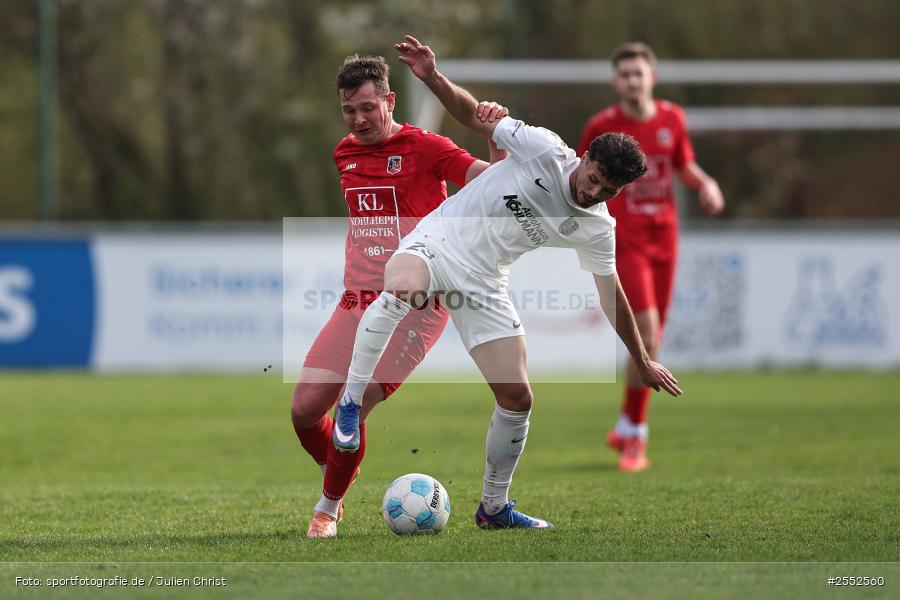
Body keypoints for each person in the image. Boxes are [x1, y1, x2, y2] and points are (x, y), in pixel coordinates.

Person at [331, 35, 682, 530]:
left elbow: (611, 294)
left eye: (607, 189)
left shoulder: (598, 225)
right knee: (403, 288)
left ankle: (493, 508)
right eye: (594, 176)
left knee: (518, 398)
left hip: (485, 282)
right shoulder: (543, 149)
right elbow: (477, 116)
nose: (592, 190)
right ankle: (350, 403)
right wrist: (432, 76)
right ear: (584, 157)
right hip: (439, 240)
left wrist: (642, 359)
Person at [293, 53, 508, 538]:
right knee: (305, 411)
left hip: (418, 306)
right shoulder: (343, 153)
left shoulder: (426, 146)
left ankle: (327, 507)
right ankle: (344, 464)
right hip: (356, 301)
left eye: (369, 107)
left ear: (389, 100)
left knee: (355, 406)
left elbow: (482, 181)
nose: (359, 119)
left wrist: (496, 154)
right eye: (349, 110)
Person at [576, 42, 724, 472]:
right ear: (614, 81)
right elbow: (581, 173)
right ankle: (636, 435)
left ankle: (626, 423)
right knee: (647, 330)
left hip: (666, 236)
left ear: (651, 77)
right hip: (628, 238)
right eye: (624, 74)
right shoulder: (602, 126)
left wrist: (705, 184)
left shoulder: (672, 118)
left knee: (654, 332)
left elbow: (683, 164)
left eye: (638, 73)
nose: (632, 81)